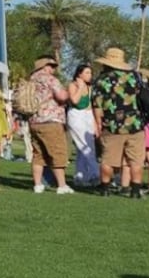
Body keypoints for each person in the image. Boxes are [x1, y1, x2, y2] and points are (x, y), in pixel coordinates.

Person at [92, 47, 146, 198]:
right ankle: (135, 190)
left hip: (113, 125)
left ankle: (105, 188)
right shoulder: (136, 77)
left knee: (108, 159)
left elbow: (97, 105)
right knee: (135, 160)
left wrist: (98, 124)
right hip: (136, 124)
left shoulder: (102, 80)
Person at [27, 56, 73, 194]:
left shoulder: (31, 80)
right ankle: (62, 185)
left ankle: (37, 184)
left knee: (38, 155)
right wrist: (71, 91)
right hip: (50, 120)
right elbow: (61, 96)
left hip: (34, 121)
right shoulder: (50, 79)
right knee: (57, 152)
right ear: (45, 66)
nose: (53, 69)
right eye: (51, 66)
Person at [65, 64, 99, 187]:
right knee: (86, 146)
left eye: (90, 73)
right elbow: (74, 101)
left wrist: (95, 124)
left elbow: (90, 106)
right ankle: (95, 174)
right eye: (86, 73)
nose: (89, 75)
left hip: (87, 115)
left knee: (83, 147)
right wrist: (80, 87)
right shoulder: (73, 85)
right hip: (76, 116)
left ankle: (81, 176)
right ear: (79, 74)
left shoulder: (90, 88)